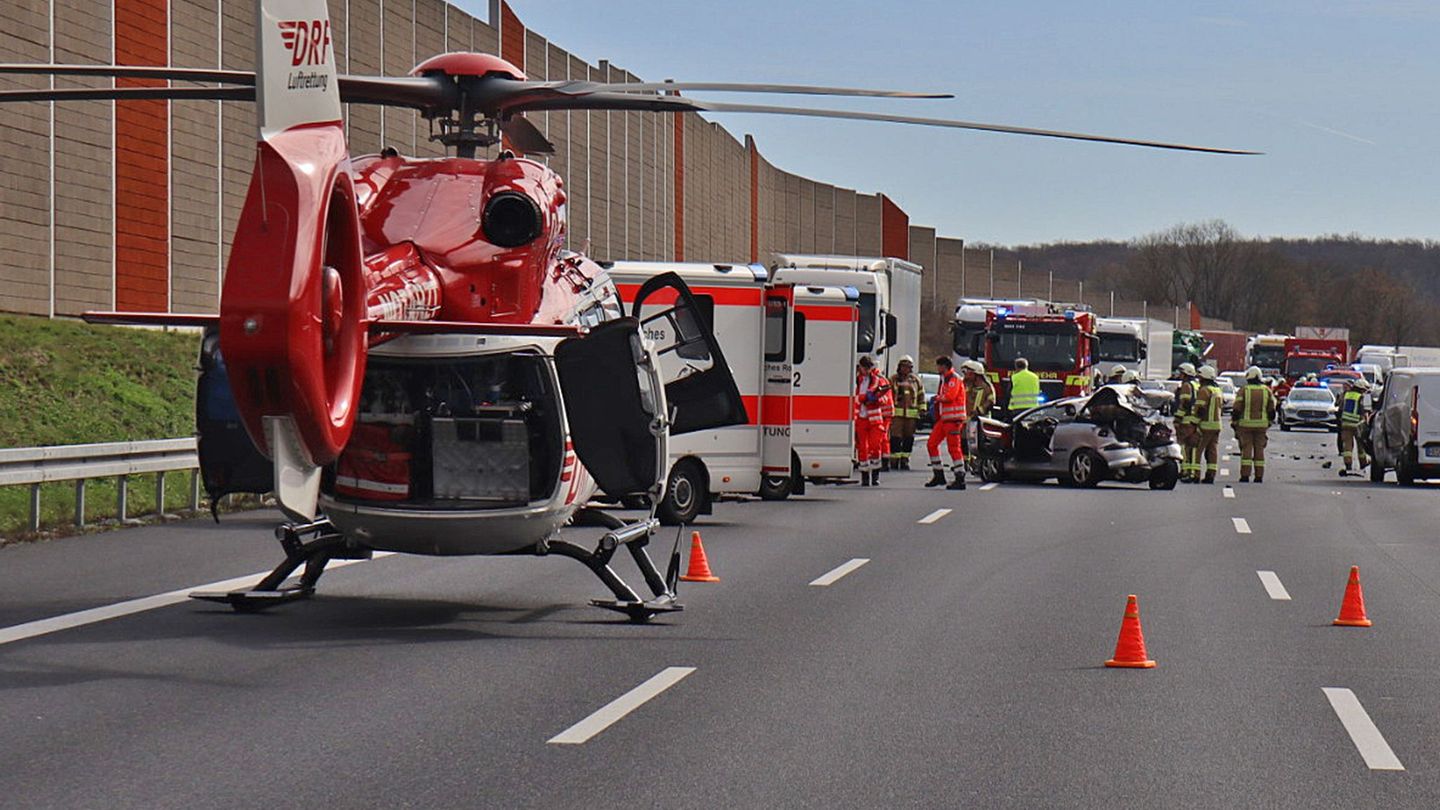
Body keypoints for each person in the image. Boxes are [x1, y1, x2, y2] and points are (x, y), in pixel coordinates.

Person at [925, 356, 967, 490]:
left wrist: (937, 398)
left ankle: (960, 477)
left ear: (944, 366)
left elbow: (950, 396)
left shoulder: (954, 378)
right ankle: (938, 475)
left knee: (954, 448)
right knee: (931, 444)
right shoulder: (945, 379)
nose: (937, 368)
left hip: (953, 420)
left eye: (938, 366)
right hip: (944, 419)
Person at [1231, 366, 1275, 483]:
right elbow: (1272, 410)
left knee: (1246, 450)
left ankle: (1245, 475)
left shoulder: (1244, 390)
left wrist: (1234, 422)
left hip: (1245, 425)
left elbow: (1237, 408)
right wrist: (1269, 422)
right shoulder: (1267, 390)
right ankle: (1259, 476)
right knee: (1259, 450)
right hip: (1261, 426)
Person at [854, 355, 892, 486]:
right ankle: (865, 476)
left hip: (875, 419)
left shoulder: (878, 381)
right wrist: (865, 398)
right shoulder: (857, 380)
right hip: (861, 418)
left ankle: (875, 475)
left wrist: (876, 399)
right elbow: (856, 398)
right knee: (862, 448)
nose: (864, 370)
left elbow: (885, 399)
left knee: (875, 446)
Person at [888, 356, 924, 470]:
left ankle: (905, 460)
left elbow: (921, 396)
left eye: (908, 367)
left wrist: (922, 411)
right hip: (896, 415)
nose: (906, 369)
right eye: (904, 367)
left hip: (911, 417)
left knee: (909, 439)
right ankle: (894, 460)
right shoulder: (893, 380)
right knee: (895, 438)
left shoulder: (915, 381)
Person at [1194, 365, 1224, 484]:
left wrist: (1193, 423)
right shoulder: (1217, 390)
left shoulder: (1204, 390)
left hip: (1205, 426)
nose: (1199, 380)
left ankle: (1196, 475)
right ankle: (1211, 475)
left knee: (1197, 451)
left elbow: (1200, 409)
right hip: (1216, 426)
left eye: (1200, 377)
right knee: (1212, 451)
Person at [1338, 378, 1372, 476]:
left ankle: (1348, 464)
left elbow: (1340, 407)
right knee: (1361, 445)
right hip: (1358, 424)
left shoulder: (1347, 395)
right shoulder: (1361, 397)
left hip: (1345, 423)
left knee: (1347, 446)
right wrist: (1366, 422)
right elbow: (1364, 410)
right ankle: (1363, 463)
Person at [1173, 363, 1200, 482]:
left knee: (1184, 446)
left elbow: (1184, 403)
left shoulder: (1186, 386)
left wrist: (1178, 418)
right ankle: (1192, 472)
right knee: (1192, 447)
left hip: (1186, 420)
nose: (1179, 375)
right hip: (1195, 419)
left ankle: (1185, 471)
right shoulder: (1197, 385)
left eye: (1181, 373)